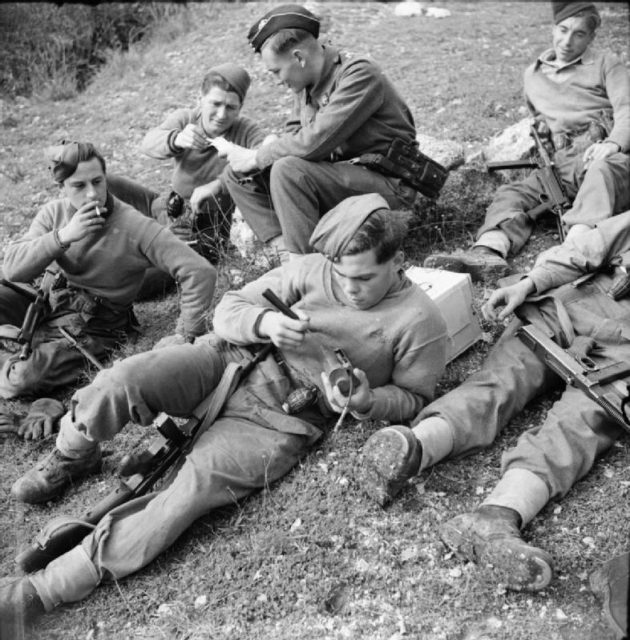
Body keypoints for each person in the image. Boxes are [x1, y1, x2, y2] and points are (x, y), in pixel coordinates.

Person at [0, 193, 447, 634]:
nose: (350, 288)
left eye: (365, 278)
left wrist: (369, 403)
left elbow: (413, 398)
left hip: (282, 417)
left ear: (399, 260)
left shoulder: (419, 321)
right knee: (123, 380)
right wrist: (265, 324)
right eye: (341, 274)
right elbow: (230, 307)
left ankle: (43, 591)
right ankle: (73, 454)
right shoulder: (312, 268)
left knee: (193, 487)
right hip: (228, 359)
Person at [361, 209, 630, 592]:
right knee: (502, 377)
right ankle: (415, 447)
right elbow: (588, 248)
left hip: (621, 359)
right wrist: (530, 283)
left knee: (578, 425)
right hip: (573, 307)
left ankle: (498, 518)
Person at [424, 1, 630, 283]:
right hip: (562, 161)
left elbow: (627, 109)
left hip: (606, 155)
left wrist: (614, 144)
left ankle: (573, 251)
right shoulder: (533, 74)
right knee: (512, 194)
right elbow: (539, 119)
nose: (567, 41)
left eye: (579, 34)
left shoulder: (606, 64)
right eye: (563, 30)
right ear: (553, 28)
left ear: (591, 37)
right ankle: (489, 250)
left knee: (602, 172)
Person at [0, 141, 215, 405]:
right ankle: (26, 340)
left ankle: (22, 349)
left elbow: (199, 271)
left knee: (19, 379)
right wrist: (64, 236)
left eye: (97, 182)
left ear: (105, 179)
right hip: (49, 299)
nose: (91, 194)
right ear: (62, 188)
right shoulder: (54, 213)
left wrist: (184, 334)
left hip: (95, 324)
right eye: (79, 186)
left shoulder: (134, 226)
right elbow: (11, 268)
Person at [218, 4, 420, 259]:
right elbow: (294, 135)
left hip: (387, 186)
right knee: (237, 174)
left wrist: (257, 157)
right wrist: (265, 151)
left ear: (299, 58)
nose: (278, 80)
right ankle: (286, 253)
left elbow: (314, 142)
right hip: (337, 179)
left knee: (286, 169)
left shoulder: (359, 74)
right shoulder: (304, 85)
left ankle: (307, 269)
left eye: (277, 71)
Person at [108, 63, 266, 294]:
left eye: (231, 107)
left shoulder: (245, 131)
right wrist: (176, 140)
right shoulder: (186, 119)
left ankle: (104, 278)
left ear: (240, 107)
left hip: (201, 232)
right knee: (103, 182)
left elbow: (266, 158)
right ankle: (84, 242)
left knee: (137, 280)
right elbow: (148, 143)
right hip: (165, 206)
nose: (222, 115)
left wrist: (219, 184)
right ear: (200, 98)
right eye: (216, 103)